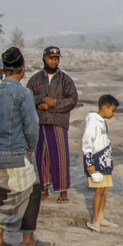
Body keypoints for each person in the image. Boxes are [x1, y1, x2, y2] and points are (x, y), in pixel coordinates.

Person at [0, 47, 48, 246]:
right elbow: (31, 125)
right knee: (32, 192)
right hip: (15, 155)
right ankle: (28, 241)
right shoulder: (23, 93)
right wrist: (31, 148)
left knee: (1, 195)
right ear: (21, 70)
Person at [26, 46, 79, 202]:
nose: (54, 61)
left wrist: (53, 104)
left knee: (60, 156)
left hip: (58, 122)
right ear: (44, 58)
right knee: (42, 156)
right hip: (40, 122)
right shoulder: (35, 79)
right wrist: (42, 99)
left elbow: (73, 99)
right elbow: (27, 97)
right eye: (51, 58)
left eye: (56, 58)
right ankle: (44, 189)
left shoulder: (65, 79)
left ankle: (63, 192)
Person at [82, 94, 119, 232]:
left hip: (106, 160)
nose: (113, 114)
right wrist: (89, 162)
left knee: (105, 189)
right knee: (99, 190)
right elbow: (87, 141)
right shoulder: (93, 120)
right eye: (112, 110)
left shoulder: (102, 121)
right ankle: (95, 220)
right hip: (97, 160)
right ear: (104, 107)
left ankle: (101, 217)